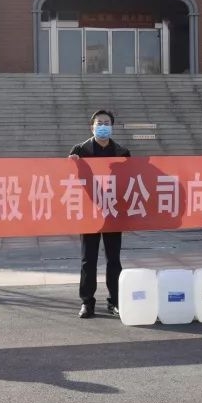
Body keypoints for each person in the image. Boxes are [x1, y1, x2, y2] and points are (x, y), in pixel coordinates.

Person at [68, 110, 130, 318]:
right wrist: (72, 163)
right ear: (92, 127)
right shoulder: (80, 150)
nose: (103, 126)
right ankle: (87, 302)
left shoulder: (122, 152)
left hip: (113, 211)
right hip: (90, 212)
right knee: (88, 259)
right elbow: (68, 178)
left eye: (106, 123)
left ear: (112, 127)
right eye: (99, 123)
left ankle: (115, 301)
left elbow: (130, 180)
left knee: (114, 259)